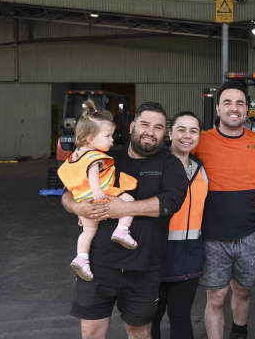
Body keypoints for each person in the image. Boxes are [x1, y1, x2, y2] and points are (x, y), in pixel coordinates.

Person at [61, 102, 188, 339]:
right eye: (145, 124)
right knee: (91, 334)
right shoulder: (105, 156)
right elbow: (69, 191)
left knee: (140, 333)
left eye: (158, 127)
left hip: (143, 267)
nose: (151, 131)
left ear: (165, 133)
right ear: (132, 127)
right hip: (97, 265)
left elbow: (171, 201)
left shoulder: (170, 164)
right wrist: (79, 207)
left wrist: (124, 208)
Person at [193, 80, 255, 339]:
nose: (233, 108)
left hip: (247, 233)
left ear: (247, 109)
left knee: (243, 290)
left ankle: (239, 332)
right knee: (216, 297)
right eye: (227, 102)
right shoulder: (201, 141)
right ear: (217, 108)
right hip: (212, 236)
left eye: (239, 103)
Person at [58, 99, 139, 282]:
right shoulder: (95, 156)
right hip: (100, 195)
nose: (112, 140)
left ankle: (82, 258)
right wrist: (97, 190)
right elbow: (93, 173)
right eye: (108, 136)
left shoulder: (75, 156)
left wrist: (79, 208)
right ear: (90, 138)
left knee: (87, 232)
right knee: (129, 201)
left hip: (83, 202)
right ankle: (122, 229)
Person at [151, 112, 208, 339]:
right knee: (150, 320)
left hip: (188, 259)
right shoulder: (155, 165)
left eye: (193, 131)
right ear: (170, 133)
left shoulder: (200, 169)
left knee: (181, 319)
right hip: (155, 258)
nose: (187, 136)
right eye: (181, 130)